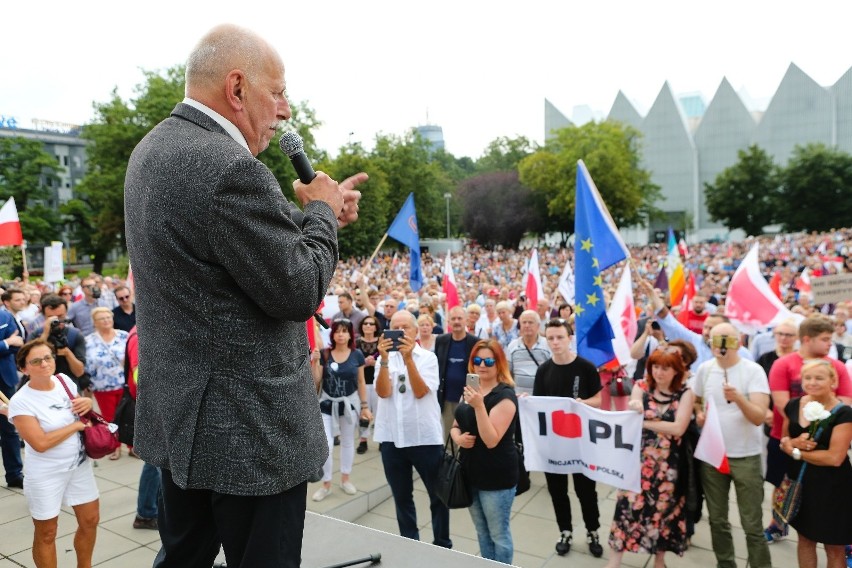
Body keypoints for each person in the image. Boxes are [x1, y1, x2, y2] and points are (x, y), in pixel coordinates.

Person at [124, 24, 366, 568]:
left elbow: (224, 262)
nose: (284, 109)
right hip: (249, 437)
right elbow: (298, 288)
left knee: (182, 558)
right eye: (277, 92)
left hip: (182, 421)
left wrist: (309, 212)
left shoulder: (151, 150)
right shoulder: (230, 168)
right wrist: (322, 212)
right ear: (236, 89)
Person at [7, 339, 99, 568]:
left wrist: (86, 402)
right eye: (36, 361)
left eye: (47, 357)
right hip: (46, 474)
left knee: (90, 520)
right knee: (47, 532)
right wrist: (76, 427)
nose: (44, 364)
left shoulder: (64, 381)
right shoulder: (21, 401)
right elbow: (40, 443)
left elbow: (79, 410)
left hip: (79, 466)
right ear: (24, 368)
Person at [604, 348, 695, 568]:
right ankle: (614, 561)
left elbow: (678, 428)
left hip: (669, 467)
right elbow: (634, 407)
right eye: (655, 367)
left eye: (665, 368)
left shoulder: (685, 393)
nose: (659, 372)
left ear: (676, 371)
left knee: (663, 513)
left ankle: (659, 561)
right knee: (626, 508)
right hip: (637, 462)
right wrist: (636, 409)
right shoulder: (641, 386)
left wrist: (645, 422)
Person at [765, 314, 852, 543]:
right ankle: (778, 524)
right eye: (824, 338)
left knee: (827, 506)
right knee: (782, 484)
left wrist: (817, 433)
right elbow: (783, 404)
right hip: (787, 435)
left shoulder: (838, 367)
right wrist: (795, 439)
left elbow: (845, 402)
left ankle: (840, 541)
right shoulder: (783, 363)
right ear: (807, 339)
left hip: (826, 441)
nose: (829, 343)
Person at [693, 322, 772, 568]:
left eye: (726, 339)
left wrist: (738, 398)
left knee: (752, 525)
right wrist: (699, 414)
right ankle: (725, 564)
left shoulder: (753, 371)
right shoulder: (705, 370)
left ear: (737, 342)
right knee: (717, 520)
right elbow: (697, 401)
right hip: (714, 454)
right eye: (716, 339)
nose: (720, 345)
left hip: (746, 456)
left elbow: (759, 416)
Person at [373, 310, 451, 548]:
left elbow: (420, 391)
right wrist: (385, 359)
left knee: (438, 496)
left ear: (416, 331)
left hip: (424, 439)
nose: (400, 332)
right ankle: (410, 544)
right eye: (395, 327)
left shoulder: (428, 357)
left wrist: (408, 359)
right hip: (392, 439)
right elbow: (383, 392)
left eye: (405, 327)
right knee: (401, 497)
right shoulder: (382, 359)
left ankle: (442, 543)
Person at [533, 317, 604, 558]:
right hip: (555, 445)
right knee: (558, 491)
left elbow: (599, 400)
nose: (555, 342)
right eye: (550, 338)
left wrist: (581, 404)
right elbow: (539, 405)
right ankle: (565, 531)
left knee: (587, 491)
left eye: (560, 337)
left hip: (582, 443)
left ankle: (592, 530)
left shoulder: (585, 367)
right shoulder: (544, 371)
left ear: (569, 338)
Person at [778, 359, 852, 568]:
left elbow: (835, 458)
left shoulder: (844, 413)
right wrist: (794, 443)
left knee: (834, 546)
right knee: (805, 539)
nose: (812, 382)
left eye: (819, 378)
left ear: (833, 381)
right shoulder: (793, 405)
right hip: (801, 483)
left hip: (832, 487)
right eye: (807, 378)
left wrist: (797, 452)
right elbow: (784, 440)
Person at [450, 339, 518, 564]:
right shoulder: (470, 390)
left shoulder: (505, 396)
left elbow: (491, 440)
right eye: (477, 360)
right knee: (482, 532)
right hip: (470, 473)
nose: (482, 365)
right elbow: (456, 425)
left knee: (499, 535)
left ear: (499, 363)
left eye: (489, 360)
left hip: (496, 476)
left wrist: (479, 406)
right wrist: (458, 438)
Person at [311, 318, 370, 501]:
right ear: (333, 334)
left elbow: (361, 381)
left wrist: (364, 406)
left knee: (347, 442)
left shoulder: (357, 355)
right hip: (327, 404)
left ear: (350, 334)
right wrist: (315, 362)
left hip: (349, 405)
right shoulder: (325, 353)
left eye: (344, 331)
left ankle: (345, 478)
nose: (341, 334)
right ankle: (326, 483)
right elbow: (317, 381)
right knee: (327, 444)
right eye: (337, 331)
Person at [124, 325, 161, 530]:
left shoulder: (145, 329)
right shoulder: (140, 335)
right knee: (153, 463)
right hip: (152, 405)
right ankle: (146, 513)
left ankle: (149, 510)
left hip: (153, 403)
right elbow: (139, 374)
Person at [84, 307, 128, 460]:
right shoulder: (89, 341)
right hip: (102, 386)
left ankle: (132, 446)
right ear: (95, 322)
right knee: (109, 418)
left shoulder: (124, 336)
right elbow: (87, 365)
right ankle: (114, 446)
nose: (106, 320)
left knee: (128, 416)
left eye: (108, 317)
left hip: (125, 384)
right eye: (102, 318)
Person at [434, 306, 479, 436]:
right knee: (448, 435)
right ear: (448, 322)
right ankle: (450, 456)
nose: (457, 321)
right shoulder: (441, 340)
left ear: (466, 321)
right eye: (453, 319)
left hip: (468, 398)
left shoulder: (475, 342)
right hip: (447, 398)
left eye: (460, 318)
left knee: (467, 434)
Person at [0, 299, 24, 488]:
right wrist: (5, 343)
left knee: (10, 428)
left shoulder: (5, 315)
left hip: (5, 379)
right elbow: (11, 343)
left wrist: (9, 344)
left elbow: (18, 345)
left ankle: (15, 474)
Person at [506, 310, 550, 395]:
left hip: (542, 397)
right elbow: (507, 373)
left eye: (530, 322)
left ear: (538, 326)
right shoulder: (513, 346)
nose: (527, 325)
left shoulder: (547, 345)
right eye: (524, 322)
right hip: (519, 397)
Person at [355, 315, 380, 454]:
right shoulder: (356, 343)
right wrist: (364, 363)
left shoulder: (381, 342)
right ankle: (363, 440)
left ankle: (381, 440)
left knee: (380, 413)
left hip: (378, 382)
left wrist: (375, 363)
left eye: (371, 324)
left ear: (376, 327)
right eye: (366, 323)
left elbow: (387, 362)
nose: (368, 326)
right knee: (363, 412)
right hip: (362, 382)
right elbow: (353, 362)